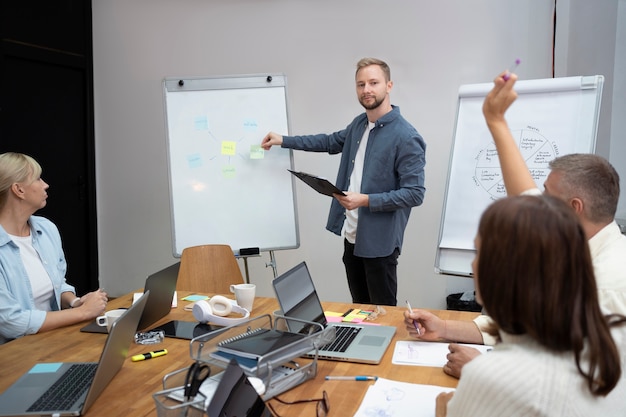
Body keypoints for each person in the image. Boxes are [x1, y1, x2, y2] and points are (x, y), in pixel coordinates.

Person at [405, 71, 626, 377]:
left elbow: (575, 382)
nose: (536, 203)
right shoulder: (573, 243)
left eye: (547, 196)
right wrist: (444, 328)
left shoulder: (609, 284)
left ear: (575, 209)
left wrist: (483, 369)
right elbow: (526, 326)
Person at [435, 194, 626, 416]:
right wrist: (445, 328)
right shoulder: (609, 330)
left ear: (505, 271)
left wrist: (444, 413)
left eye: (479, 253)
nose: (472, 264)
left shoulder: (488, 377)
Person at [261, 57, 426, 306]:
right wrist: (284, 140)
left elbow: (414, 193)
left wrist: (365, 200)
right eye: (361, 84)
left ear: (389, 86)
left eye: (373, 83)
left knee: (384, 317)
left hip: (380, 246)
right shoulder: (359, 124)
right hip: (352, 239)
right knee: (360, 313)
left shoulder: (407, 136)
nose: (366, 90)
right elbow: (328, 142)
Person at [0, 152, 108, 344]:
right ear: (18, 190)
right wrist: (82, 312)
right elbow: (10, 321)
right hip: (13, 355)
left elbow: (58, 284)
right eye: (38, 179)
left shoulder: (46, 228)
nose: (45, 185)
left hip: (51, 340)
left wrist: (76, 302)